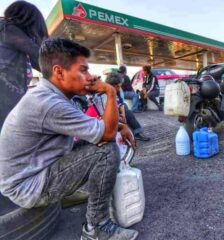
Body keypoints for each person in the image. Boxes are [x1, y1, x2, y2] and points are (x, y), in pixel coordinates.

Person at [0, 38, 138, 240]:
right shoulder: (48, 103)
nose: (90, 77)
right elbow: (106, 135)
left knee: (96, 142)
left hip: (34, 172)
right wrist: (109, 91)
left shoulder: (51, 96)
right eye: (83, 70)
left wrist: (120, 125)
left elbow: (92, 127)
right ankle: (96, 228)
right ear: (58, 71)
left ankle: (68, 194)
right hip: (27, 186)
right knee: (105, 151)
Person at [0, 1, 48, 130]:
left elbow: (39, 64)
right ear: (27, 21)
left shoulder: (11, 37)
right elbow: (41, 58)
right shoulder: (6, 28)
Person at [94, 73, 150, 142]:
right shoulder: (102, 95)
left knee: (125, 109)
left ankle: (136, 132)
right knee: (126, 112)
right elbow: (104, 112)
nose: (119, 88)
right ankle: (134, 133)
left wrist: (123, 115)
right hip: (104, 116)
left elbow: (120, 102)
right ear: (113, 86)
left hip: (115, 109)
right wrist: (119, 116)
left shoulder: (115, 91)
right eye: (118, 86)